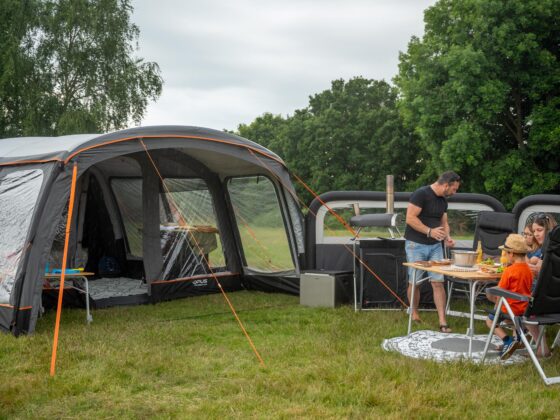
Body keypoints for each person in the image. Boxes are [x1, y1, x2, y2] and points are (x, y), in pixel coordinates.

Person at [405, 170, 460, 333]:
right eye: (454, 189)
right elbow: (410, 218)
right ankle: (414, 312)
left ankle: (442, 321)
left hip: (436, 246)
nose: (454, 192)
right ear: (445, 185)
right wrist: (429, 231)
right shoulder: (421, 194)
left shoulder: (443, 200)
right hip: (416, 244)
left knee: (438, 282)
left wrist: (447, 237)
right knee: (415, 281)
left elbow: (444, 222)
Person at [485, 234, 533, 360]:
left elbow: (501, 293)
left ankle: (507, 340)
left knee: (490, 321)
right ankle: (519, 337)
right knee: (512, 321)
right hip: (524, 308)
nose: (505, 255)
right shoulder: (529, 270)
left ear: (511, 254)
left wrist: (496, 309)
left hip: (510, 308)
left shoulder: (509, 271)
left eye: (505, 253)